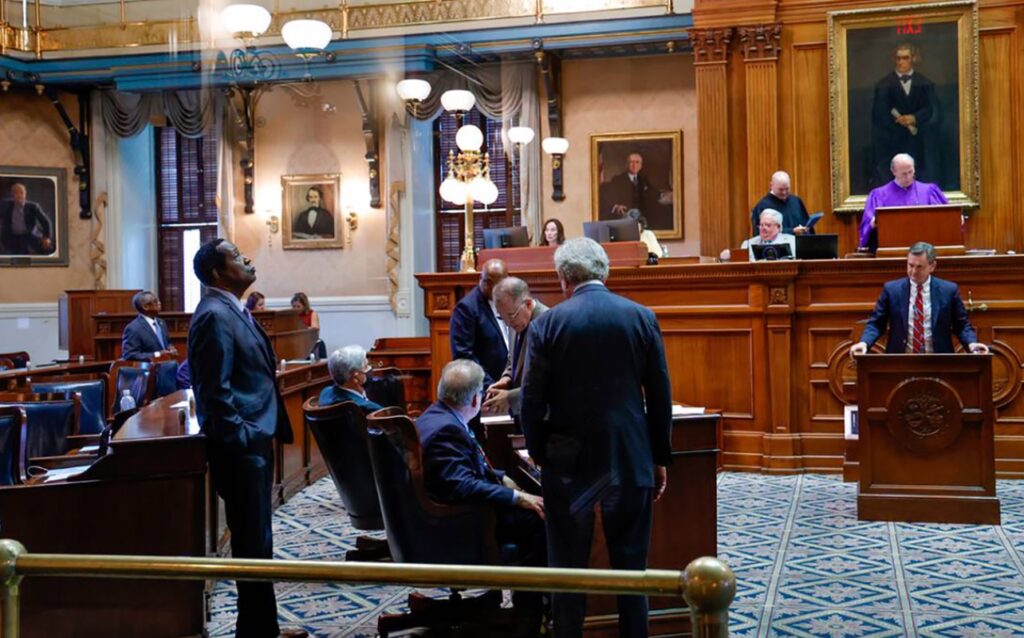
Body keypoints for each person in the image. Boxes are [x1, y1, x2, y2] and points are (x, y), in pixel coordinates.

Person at [520, 237, 672, 638]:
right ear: (604, 271)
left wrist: (540, 453)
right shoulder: (641, 317)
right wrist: (658, 457)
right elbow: (659, 396)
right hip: (628, 457)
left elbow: (531, 401)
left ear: (563, 278)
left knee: (567, 570)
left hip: (569, 467)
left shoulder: (547, 324)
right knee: (632, 569)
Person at [188, 238, 305, 638]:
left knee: (258, 543)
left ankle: (259, 628)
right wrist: (242, 438)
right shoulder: (213, 316)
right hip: (241, 449)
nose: (247, 260)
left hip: (253, 442)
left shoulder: (231, 309)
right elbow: (213, 391)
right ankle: (258, 631)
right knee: (252, 544)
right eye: (237, 257)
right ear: (218, 273)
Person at [417, 359, 546, 611]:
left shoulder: (437, 416)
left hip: (444, 514)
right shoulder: (447, 431)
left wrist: (501, 476)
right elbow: (461, 485)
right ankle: (529, 610)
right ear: (476, 399)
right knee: (541, 518)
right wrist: (517, 497)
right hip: (460, 523)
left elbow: (461, 471)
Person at [850, 242, 989, 356]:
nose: (913, 271)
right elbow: (876, 323)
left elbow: (962, 325)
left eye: (919, 267)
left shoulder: (948, 290)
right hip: (900, 362)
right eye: (910, 265)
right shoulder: (892, 290)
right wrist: (864, 343)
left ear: (932, 266)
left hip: (940, 361)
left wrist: (972, 344)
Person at [870, 43, 941, 189]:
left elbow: (931, 109)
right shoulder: (883, 85)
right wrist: (898, 121)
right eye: (898, 58)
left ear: (913, 59)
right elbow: (879, 114)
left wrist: (914, 118)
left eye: (905, 58)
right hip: (892, 144)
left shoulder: (925, 83)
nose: (901, 62)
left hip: (918, 143)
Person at [483, 277, 548, 419]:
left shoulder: (549, 325)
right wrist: (506, 379)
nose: (507, 324)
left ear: (528, 304)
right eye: (502, 318)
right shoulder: (515, 320)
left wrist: (510, 397)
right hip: (523, 415)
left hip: (543, 417)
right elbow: (513, 359)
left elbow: (548, 381)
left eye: (511, 316)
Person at [859, 153, 948, 251]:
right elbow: (867, 227)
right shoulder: (879, 195)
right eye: (904, 174)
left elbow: (945, 219)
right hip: (891, 250)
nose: (908, 177)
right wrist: (873, 223)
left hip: (924, 251)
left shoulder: (929, 191)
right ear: (893, 171)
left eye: (911, 172)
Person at [449, 258, 510, 388]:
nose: (490, 287)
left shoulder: (507, 300)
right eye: (486, 282)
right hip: (485, 388)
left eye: (497, 284)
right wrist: (491, 386)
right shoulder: (466, 309)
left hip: (509, 382)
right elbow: (464, 357)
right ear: (481, 280)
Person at [600, 152, 672, 231]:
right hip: (625, 215)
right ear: (627, 164)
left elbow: (655, 193)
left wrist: (666, 195)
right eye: (631, 162)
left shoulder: (643, 180)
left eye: (637, 162)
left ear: (641, 165)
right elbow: (607, 197)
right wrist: (616, 206)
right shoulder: (618, 180)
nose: (634, 165)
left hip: (643, 216)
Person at [319, 345, 383, 414]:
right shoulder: (371, 409)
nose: (370, 368)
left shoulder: (325, 393)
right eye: (366, 366)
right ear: (355, 378)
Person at [718, 209, 796, 262]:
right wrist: (727, 258)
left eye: (768, 225)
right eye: (761, 225)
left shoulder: (792, 242)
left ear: (778, 227)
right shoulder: (748, 244)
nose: (763, 228)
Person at [750, 171, 811, 236]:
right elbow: (761, 233)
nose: (784, 192)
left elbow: (806, 224)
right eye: (781, 190)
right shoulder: (763, 206)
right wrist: (792, 231)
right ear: (771, 186)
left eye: (787, 189)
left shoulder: (796, 201)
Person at [121, 290, 177, 361]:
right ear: (145, 307)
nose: (159, 303)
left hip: (167, 363)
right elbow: (129, 354)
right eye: (155, 302)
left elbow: (167, 343)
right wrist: (157, 354)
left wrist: (171, 348)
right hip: (148, 366)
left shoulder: (161, 322)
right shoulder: (133, 328)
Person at [0, 183, 54, 255]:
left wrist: (47, 237)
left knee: (48, 250)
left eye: (21, 193)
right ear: (12, 195)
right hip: (11, 237)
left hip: (30, 235)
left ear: (25, 194)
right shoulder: (4, 205)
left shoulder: (33, 206)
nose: (19, 195)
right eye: (16, 193)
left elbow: (46, 222)